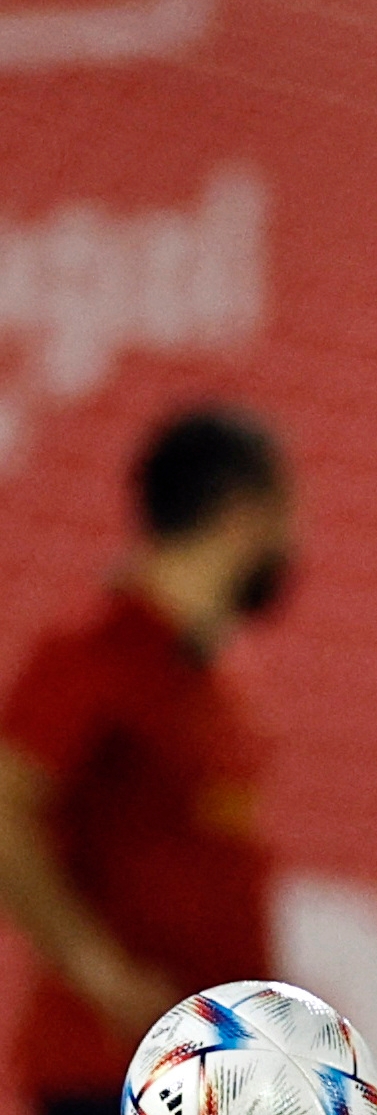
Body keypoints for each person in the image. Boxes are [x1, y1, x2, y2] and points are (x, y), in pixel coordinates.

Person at [0, 407, 292, 1115]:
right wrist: (96, 968)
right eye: (287, 515)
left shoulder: (211, 677)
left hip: (218, 1071)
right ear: (242, 514)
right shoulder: (95, 661)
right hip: (116, 1065)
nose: (293, 543)